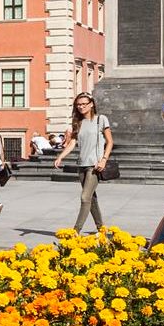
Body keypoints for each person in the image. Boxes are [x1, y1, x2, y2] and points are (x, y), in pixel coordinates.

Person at [53, 92, 113, 234]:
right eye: (78, 105)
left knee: (85, 197)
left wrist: (104, 159)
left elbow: (110, 141)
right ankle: (101, 228)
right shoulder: (78, 122)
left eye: (83, 104)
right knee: (91, 198)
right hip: (82, 165)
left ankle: (75, 231)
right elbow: (73, 142)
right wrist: (61, 156)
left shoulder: (101, 120)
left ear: (91, 104)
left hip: (95, 165)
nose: (81, 107)